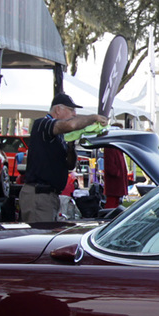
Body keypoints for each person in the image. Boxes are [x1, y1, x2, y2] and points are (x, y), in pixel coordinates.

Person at [19, 92, 108, 223]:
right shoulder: (42, 124)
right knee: (42, 237)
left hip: (49, 196)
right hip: (39, 195)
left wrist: (71, 146)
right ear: (58, 109)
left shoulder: (59, 135)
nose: (74, 114)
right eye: (71, 110)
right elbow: (70, 125)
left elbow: (70, 165)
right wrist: (93, 118)